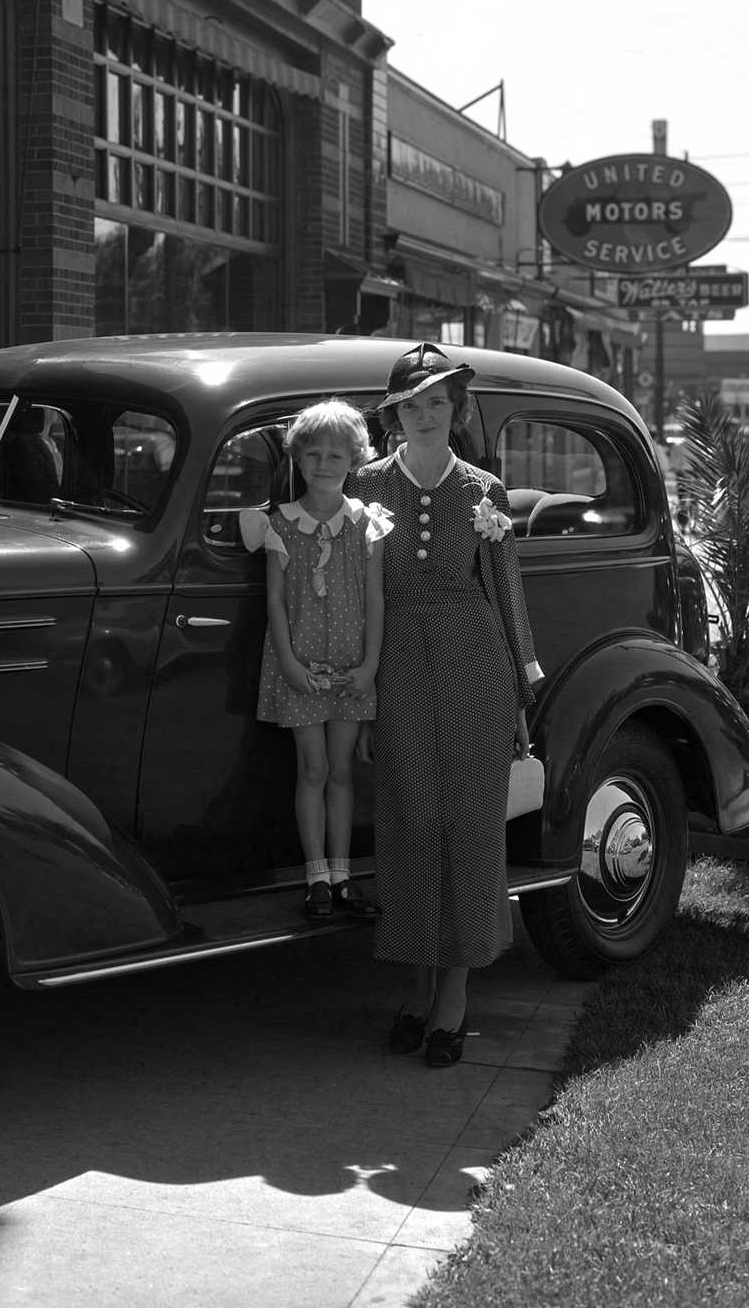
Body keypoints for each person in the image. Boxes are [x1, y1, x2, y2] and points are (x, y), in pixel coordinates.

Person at [349, 344, 542, 1069]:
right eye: (411, 404)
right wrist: (359, 696)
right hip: (395, 660)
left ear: (456, 411)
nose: (425, 415)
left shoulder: (482, 489)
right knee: (410, 820)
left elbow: (506, 591)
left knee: (466, 825)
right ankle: (416, 983)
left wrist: (523, 692)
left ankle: (453, 997)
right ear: (393, 414)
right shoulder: (363, 483)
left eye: (438, 403)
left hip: (473, 664)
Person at [240, 400, 390, 922]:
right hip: (301, 665)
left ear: (354, 459)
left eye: (335, 455)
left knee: (343, 771)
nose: (324, 465)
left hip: (351, 666)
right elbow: (275, 601)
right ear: (298, 461)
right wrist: (288, 664)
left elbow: (375, 599)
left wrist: (370, 665)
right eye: (313, 455)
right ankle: (316, 876)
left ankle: (345, 874)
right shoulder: (280, 523)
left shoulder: (367, 525)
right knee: (313, 768)